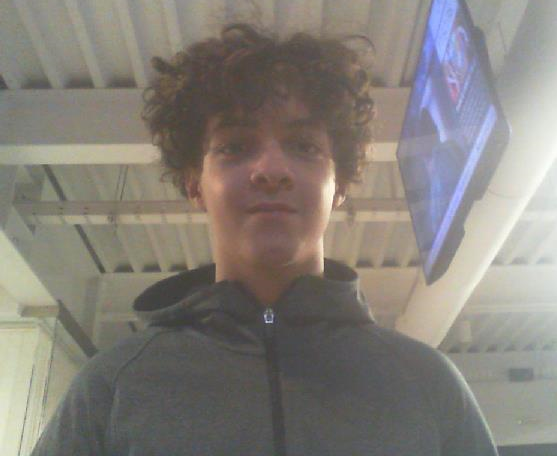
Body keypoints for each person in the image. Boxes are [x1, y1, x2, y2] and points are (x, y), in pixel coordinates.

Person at [31, 24, 497, 456]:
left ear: (339, 185)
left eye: (304, 146)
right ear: (194, 183)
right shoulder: (113, 388)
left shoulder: (428, 385)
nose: (272, 170)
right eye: (235, 146)